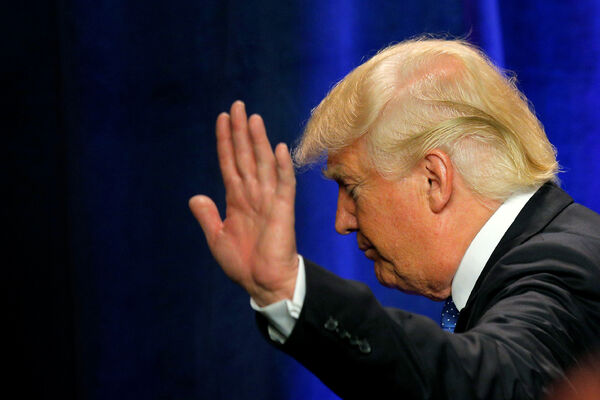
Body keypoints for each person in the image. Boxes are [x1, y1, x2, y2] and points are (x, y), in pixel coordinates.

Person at [189, 38, 600, 399]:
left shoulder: (566, 270)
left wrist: (287, 287)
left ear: (433, 180)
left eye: (351, 187)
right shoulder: (540, 253)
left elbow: (486, 385)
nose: (342, 222)